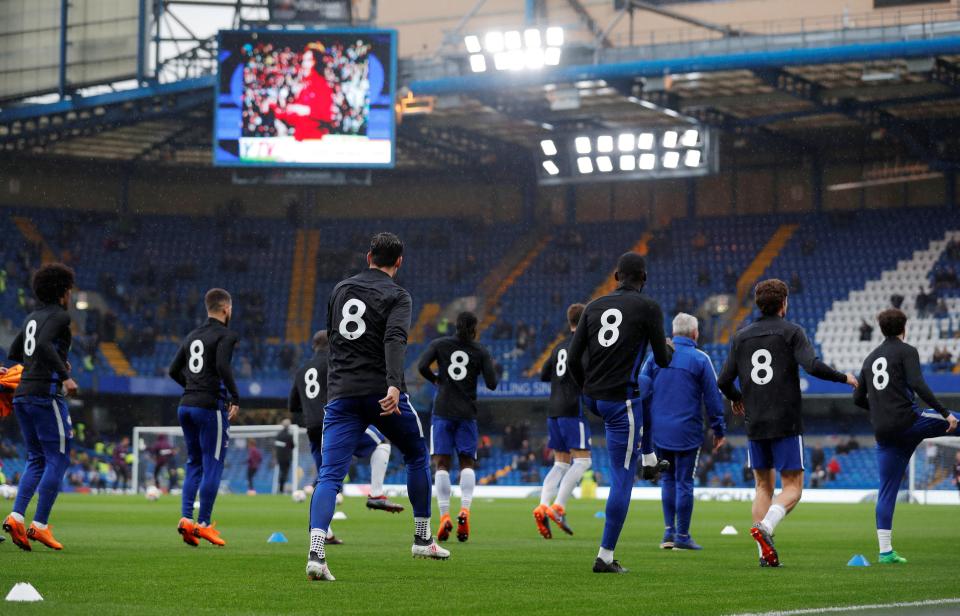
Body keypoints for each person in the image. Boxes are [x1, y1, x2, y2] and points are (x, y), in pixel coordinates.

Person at [306, 232, 448, 583]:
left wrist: (338, 387)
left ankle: (316, 555)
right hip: (381, 394)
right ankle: (421, 537)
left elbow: (333, 340)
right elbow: (394, 339)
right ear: (399, 261)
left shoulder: (340, 289)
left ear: (368, 255)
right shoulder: (398, 295)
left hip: (341, 394)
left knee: (329, 477)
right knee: (416, 454)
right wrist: (394, 384)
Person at [718, 279, 856, 568]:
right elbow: (812, 365)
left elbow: (723, 380)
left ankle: (763, 556)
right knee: (793, 487)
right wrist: (844, 377)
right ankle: (766, 528)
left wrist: (736, 398)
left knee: (762, 487)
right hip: (785, 420)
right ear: (784, 304)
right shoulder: (791, 332)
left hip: (754, 421)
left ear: (758, 303)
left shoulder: (741, 336)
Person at [567, 252, 672, 574]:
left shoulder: (593, 306)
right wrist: (666, 346)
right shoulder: (649, 307)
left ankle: (650, 460)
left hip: (594, 399)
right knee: (622, 479)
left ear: (616, 276)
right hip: (620, 402)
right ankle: (605, 556)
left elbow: (573, 359)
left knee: (642, 396)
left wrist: (587, 391)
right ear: (644, 278)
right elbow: (662, 360)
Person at [853, 308, 960, 564]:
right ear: (904, 327)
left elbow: (857, 399)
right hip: (910, 422)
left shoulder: (869, 359)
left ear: (881, 329)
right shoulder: (907, 351)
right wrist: (945, 413)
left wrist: (880, 409)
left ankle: (885, 552)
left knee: (887, 489)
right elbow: (919, 384)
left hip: (884, 431)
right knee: (959, 420)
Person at [288, 330, 404, 536]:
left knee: (325, 477)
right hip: (335, 422)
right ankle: (376, 493)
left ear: (314, 346)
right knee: (381, 443)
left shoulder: (301, 370)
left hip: (313, 429)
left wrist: (308, 421)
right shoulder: (334, 363)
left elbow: (293, 406)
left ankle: (324, 532)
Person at [2, 263, 79, 551]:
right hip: (46, 395)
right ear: (63, 292)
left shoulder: (31, 317)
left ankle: (17, 516)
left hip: (23, 394)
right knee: (57, 459)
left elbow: (16, 352)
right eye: (69, 290)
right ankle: (40, 526)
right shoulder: (60, 316)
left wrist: (52, 357)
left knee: (36, 459)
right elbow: (45, 343)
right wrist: (65, 375)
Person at [640, 313, 726, 551]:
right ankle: (683, 535)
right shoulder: (700, 359)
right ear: (695, 333)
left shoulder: (654, 357)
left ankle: (668, 533)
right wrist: (719, 429)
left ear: (674, 332)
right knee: (684, 482)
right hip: (688, 430)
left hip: (659, 430)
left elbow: (642, 389)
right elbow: (713, 398)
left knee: (667, 478)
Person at [167, 288, 240, 548]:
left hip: (185, 405)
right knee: (214, 464)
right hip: (210, 407)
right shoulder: (226, 335)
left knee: (194, 462)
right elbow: (222, 365)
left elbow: (173, 370)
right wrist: (235, 396)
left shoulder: (192, 335)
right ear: (226, 309)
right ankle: (205, 524)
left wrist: (193, 387)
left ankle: (187, 518)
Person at [417, 311, 498, 542]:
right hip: (466, 413)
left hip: (442, 411)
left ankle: (444, 516)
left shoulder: (439, 344)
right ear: (474, 329)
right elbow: (492, 384)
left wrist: (436, 379)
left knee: (441, 464)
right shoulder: (481, 350)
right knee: (467, 463)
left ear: (455, 326)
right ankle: (465, 509)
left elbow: (422, 366)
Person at [533, 303, 592, 540]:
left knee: (560, 464)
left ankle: (542, 505)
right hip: (572, 408)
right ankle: (558, 507)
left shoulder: (558, 346)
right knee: (584, 461)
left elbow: (544, 374)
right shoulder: (584, 346)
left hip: (553, 409)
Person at [275, 419, 295, 494]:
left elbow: (276, 447)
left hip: (279, 457)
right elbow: (293, 446)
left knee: (282, 472)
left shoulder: (278, 435)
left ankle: (281, 489)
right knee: (285, 473)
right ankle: (282, 489)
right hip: (287, 457)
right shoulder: (289, 435)